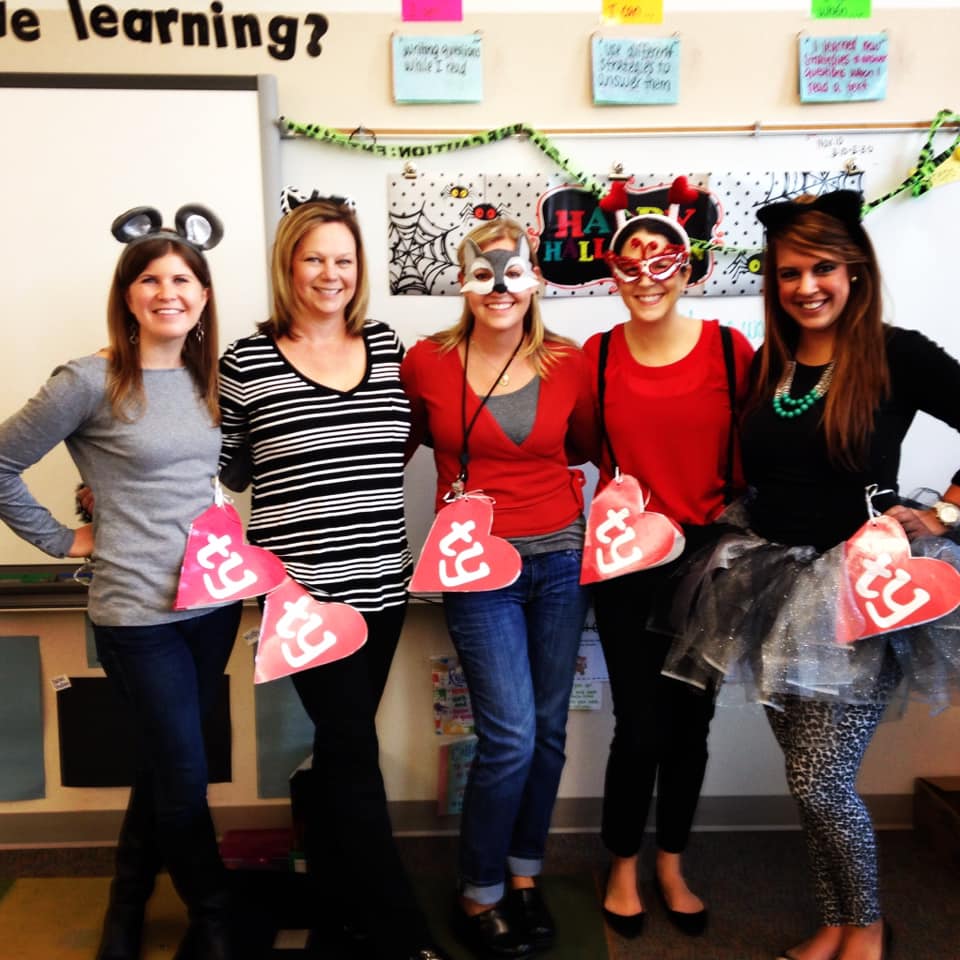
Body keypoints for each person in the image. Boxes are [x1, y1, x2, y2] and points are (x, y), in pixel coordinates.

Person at [664, 190, 960, 960]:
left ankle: (866, 925)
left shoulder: (899, 355)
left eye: (822, 267)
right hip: (769, 584)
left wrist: (946, 513)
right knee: (806, 777)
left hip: (859, 590)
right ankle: (835, 919)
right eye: (790, 272)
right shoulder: (771, 362)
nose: (806, 286)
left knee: (822, 780)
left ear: (855, 270)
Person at [0, 205, 242, 960]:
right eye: (150, 278)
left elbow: (215, 477)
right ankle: (214, 915)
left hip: (213, 602)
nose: (168, 291)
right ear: (127, 293)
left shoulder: (214, 377)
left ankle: (127, 899)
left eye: (183, 278)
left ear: (203, 295)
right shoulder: (89, 378)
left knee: (168, 763)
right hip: (137, 610)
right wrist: (61, 536)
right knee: (185, 769)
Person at [217, 192, 448, 960]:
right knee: (352, 747)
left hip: (385, 581)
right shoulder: (247, 362)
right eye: (314, 257)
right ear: (289, 265)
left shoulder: (386, 346)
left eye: (343, 259)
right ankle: (398, 931)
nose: (330, 273)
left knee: (343, 744)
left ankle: (338, 906)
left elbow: (406, 441)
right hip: (304, 596)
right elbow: (219, 472)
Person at [401, 218, 595, 958]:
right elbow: (395, 440)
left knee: (546, 731)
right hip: (476, 566)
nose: (500, 287)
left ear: (536, 279)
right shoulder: (427, 362)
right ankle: (478, 890)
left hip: (559, 562)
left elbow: (582, 449)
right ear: (462, 279)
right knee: (510, 734)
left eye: (514, 273)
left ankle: (523, 877)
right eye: (484, 273)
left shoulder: (569, 363)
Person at [581, 208, 753, 939]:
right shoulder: (595, 356)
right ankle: (623, 862)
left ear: (687, 269)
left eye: (663, 262)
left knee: (691, 725)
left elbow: (755, 454)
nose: (646, 277)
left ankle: (672, 862)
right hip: (625, 560)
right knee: (640, 727)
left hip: (711, 559)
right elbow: (590, 448)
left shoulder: (727, 350)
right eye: (630, 262)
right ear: (611, 271)